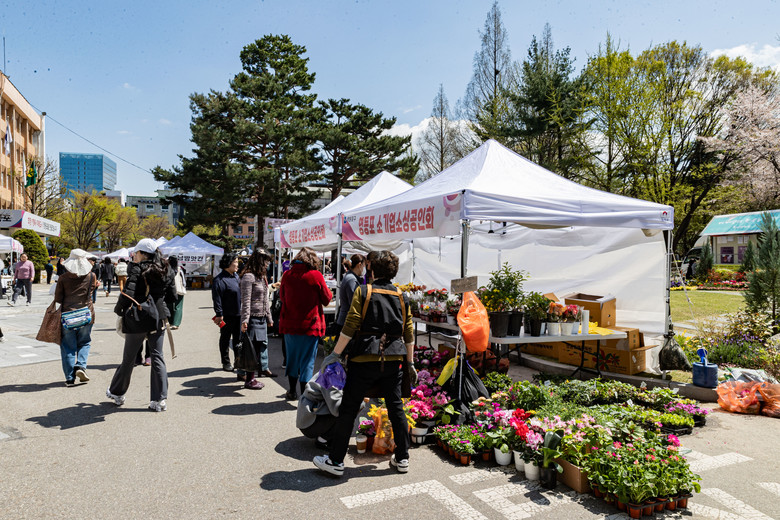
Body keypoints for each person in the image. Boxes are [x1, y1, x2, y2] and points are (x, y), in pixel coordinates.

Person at [313, 250, 415, 477]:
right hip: (394, 359)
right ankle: (402, 458)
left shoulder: (364, 291)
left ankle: (335, 460)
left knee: (349, 408)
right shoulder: (401, 295)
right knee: (396, 407)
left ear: (372, 269)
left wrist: (335, 354)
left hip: (363, 359)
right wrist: (410, 362)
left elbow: (350, 325)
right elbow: (408, 331)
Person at [107, 238, 176, 412]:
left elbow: (128, 293)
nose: (134, 256)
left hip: (138, 316)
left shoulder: (137, 269)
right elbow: (172, 296)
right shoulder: (166, 269)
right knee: (157, 357)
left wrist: (119, 310)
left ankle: (117, 392)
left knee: (129, 358)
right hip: (158, 318)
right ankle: (159, 399)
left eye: (136, 253)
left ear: (143, 254)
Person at [279, 247, 333, 401]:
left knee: (292, 359)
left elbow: (282, 297)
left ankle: (291, 391)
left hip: (290, 324)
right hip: (310, 325)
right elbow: (327, 299)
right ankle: (304, 395)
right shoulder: (316, 275)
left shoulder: (287, 275)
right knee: (307, 361)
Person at [54, 249, 99, 386]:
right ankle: (80, 366)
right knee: (84, 342)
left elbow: (58, 298)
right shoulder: (91, 276)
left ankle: (69, 378)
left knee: (68, 346)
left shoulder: (63, 278)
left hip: (68, 315)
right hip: (86, 313)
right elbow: (91, 291)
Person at [239, 248, 276, 390]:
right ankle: (249, 379)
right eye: (265, 261)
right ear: (259, 261)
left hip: (262, 318)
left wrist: (269, 318)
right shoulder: (248, 277)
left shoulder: (262, 277)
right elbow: (246, 301)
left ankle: (252, 377)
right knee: (251, 350)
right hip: (252, 318)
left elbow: (265, 300)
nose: (267, 264)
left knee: (259, 348)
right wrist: (245, 320)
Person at [212, 253, 242, 374]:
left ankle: (238, 361)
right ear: (228, 263)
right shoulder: (219, 280)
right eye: (236, 262)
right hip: (226, 315)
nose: (237, 264)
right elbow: (217, 299)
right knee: (225, 338)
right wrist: (219, 314)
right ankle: (226, 362)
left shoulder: (237, 277)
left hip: (239, 314)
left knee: (238, 340)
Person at [334, 254, 366, 337]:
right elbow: (353, 302)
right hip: (346, 322)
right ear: (359, 265)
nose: (364, 269)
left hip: (345, 320)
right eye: (364, 266)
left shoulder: (350, 277)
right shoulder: (352, 279)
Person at [168, 256, 186, 330]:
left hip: (169, 290)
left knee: (169, 305)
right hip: (179, 289)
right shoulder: (180, 269)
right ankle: (176, 323)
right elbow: (183, 280)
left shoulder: (167, 269)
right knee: (178, 306)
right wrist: (184, 287)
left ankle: (169, 322)